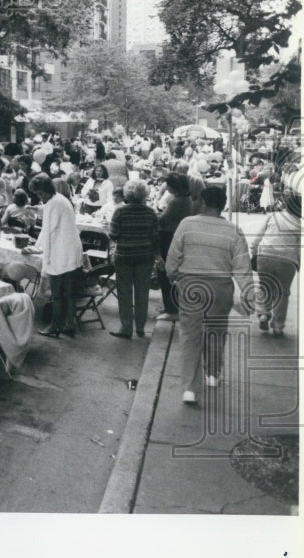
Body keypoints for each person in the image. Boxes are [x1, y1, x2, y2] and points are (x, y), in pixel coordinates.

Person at [166, 187, 253, 403]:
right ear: (222, 205)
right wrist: (248, 293)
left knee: (190, 335)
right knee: (216, 331)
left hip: (191, 285)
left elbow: (173, 256)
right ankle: (212, 374)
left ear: (203, 202)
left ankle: (190, 388)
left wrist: (174, 278)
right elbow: (242, 266)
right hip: (220, 288)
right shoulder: (233, 230)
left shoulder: (187, 224)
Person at [28, 174, 83, 338]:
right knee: (70, 292)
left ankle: (54, 325)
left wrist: (40, 252)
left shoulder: (53, 203)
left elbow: (48, 232)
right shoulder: (61, 199)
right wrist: (36, 208)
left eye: (40, 194)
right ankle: (69, 324)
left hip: (60, 251)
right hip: (71, 250)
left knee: (57, 292)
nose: (40, 197)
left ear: (47, 190)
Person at [108, 180, 159, 339]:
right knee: (142, 292)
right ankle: (141, 328)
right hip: (145, 256)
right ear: (144, 194)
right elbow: (155, 236)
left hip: (124, 256)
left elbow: (113, 235)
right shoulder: (151, 213)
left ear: (127, 194)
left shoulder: (120, 212)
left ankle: (126, 328)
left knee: (124, 291)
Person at [249, 191, 301, 337]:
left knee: (265, 287)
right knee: (282, 293)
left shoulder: (273, 216)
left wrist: (254, 253)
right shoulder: (300, 224)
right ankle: (278, 326)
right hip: (287, 261)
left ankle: (264, 314)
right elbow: (301, 248)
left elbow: (258, 237)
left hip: (265, 255)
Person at [154, 172, 193, 322]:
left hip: (169, 238)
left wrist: (154, 214)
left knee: (165, 272)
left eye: (168, 185)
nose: (167, 187)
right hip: (176, 237)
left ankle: (172, 309)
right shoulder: (186, 198)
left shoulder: (177, 201)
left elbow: (163, 220)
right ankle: (170, 306)